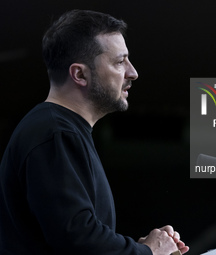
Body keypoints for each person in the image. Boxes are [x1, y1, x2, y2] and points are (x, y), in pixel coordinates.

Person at [0, 9, 189, 255]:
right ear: (80, 74)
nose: (133, 72)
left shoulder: (58, 130)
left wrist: (143, 248)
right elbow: (77, 239)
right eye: (120, 62)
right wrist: (148, 252)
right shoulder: (55, 133)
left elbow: (72, 236)